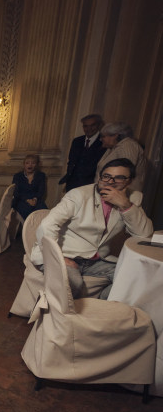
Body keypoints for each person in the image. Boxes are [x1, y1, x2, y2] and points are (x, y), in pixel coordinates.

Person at [31, 158, 153, 299]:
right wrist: (58, 257)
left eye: (119, 178)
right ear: (99, 177)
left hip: (96, 261)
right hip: (66, 254)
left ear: (129, 181)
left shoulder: (133, 198)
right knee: (72, 284)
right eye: (106, 176)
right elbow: (47, 225)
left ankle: (102, 306)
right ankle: (58, 313)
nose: (110, 182)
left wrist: (125, 205)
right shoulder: (78, 194)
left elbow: (144, 234)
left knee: (136, 279)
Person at [96, 122, 148, 195]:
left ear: (115, 135)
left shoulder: (128, 146)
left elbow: (124, 173)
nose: (101, 139)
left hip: (121, 194)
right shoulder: (113, 147)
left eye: (103, 136)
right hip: (110, 192)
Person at [59, 114, 106, 192]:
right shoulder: (77, 141)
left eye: (92, 125)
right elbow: (71, 162)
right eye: (85, 126)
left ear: (99, 125)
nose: (89, 129)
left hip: (90, 186)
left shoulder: (104, 142)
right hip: (72, 185)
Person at [11, 154, 48, 220]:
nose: (30, 165)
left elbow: (41, 191)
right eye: (27, 163)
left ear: (36, 165)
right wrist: (27, 200)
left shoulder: (41, 175)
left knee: (43, 213)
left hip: (36, 200)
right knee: (25, 211)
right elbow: (16, 192)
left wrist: (35, 199)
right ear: (24, 164)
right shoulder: (17, 176)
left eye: (33, 163)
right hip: (21, 200)